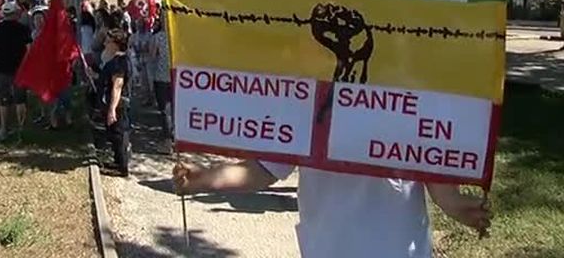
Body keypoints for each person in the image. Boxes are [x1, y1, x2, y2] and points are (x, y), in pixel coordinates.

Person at [174, 161, 492, 257]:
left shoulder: (411, 95)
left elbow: (434, 172)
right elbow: (263, 170)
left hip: (397, 248)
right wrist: (205, 179)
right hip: (331, 248)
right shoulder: (313, 100)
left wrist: (454, 204)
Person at [0, 0, 32, 141]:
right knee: (20, 99)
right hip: (20, 68)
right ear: (15, 14)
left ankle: (4, 129)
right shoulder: (23, 29)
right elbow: (29, 50)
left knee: (4, 99)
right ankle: (21, 130)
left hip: (2, 68)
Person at [95, 29, 132, 177]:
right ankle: (117, 161)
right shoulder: (115, 61)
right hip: (114, 103)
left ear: (116, 44)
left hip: (118, 104)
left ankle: (121, 167)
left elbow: (117, 85)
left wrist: (112, 109)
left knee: (118, 135)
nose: (105, 43)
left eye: (108, 41)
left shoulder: (119, 62)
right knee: (114, 134)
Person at [150, 16, 173, 153]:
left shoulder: (158, 37)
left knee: (165, 110)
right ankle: (174, 137)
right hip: (177, 77)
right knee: (174, 109)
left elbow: (152, 55)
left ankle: (167, 141)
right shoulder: (178, 37)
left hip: (161, 76)